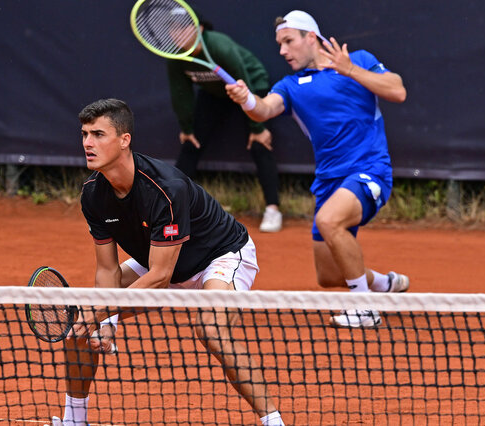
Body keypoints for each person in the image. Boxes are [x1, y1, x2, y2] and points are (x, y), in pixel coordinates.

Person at [48, 99, 285, 426]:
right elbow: (107, 269)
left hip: (220, 256)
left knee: (211, 329)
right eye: (85, 134)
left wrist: (104, 311)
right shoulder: (93, 194)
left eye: (98, 134)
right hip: (160, 256)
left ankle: (274, 422)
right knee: (80, 322)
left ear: (124, 140)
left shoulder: (165, 187)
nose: (88, 143)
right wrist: (103, 322)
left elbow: (160, 278)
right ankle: (75, 421)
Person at [225, 10, 410, 328]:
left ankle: (365, 309)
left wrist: (350, 69)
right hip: (328, 182)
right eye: (279, 44)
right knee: (328, 276)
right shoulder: (291, 85)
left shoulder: (359, 59)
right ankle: (383, 284)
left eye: (288, 41)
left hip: (370, 170)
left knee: (329, 220)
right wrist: (246, 100)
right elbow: (264, 109)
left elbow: (397, 90)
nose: (282, 51)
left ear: (311, 37)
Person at [166, 17, 283, 232]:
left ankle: (273, 209)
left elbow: (243, 78)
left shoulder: (220, 46)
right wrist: (187, 128)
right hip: (215, 92)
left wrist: (257, 128)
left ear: (199, 28)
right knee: (192, 142)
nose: (178, 33)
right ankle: (169, 208)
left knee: (259, 142)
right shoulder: (174, 55)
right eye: (173, 29)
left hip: (250, 85)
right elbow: (180, 92)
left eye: (184, 27)